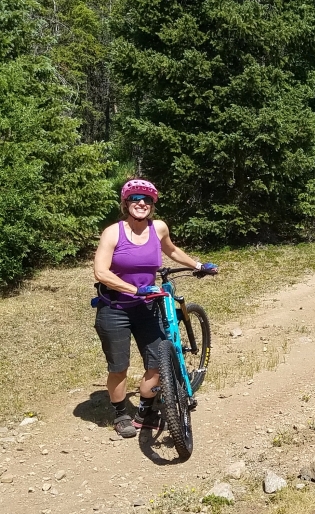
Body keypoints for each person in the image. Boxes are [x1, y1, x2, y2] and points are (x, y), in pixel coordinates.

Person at [93, 179, 218, 438]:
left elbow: (171, 250)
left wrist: (197, 265)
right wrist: (134, 289)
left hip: (147, 307)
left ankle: (144, 411)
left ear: (152, 206)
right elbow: (101, 272)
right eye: (136, 198)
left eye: (148, 199)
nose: (142, 203)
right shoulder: (113, 233)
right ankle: (120, 414)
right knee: (119, 367)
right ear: (126, 203)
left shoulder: (158, 228)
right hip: (115, 307)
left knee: (157, 363)